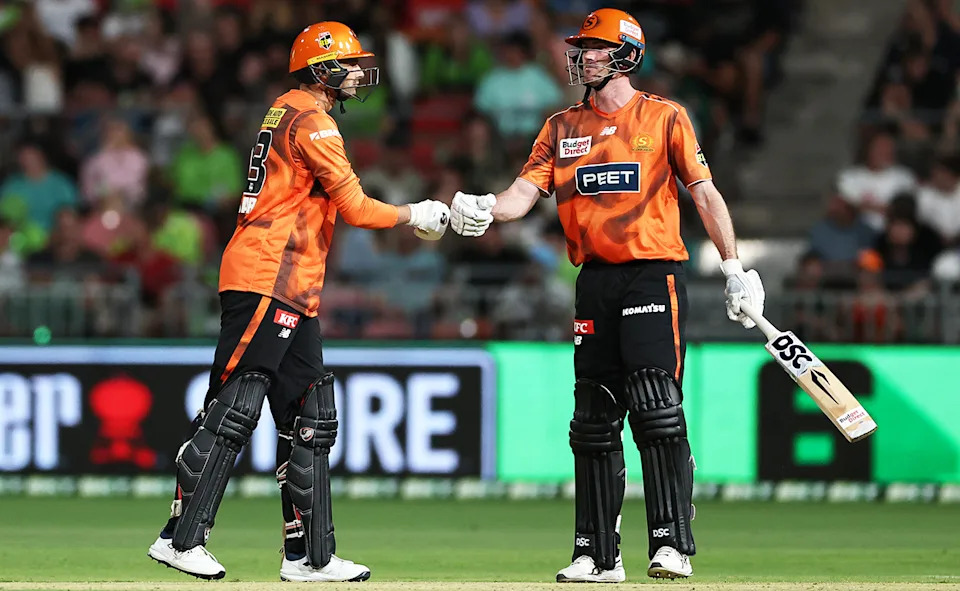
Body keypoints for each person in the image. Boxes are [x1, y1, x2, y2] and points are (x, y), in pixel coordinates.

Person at [449, 8, 764, 582]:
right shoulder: (560, 127)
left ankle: (671, 542)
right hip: (593, 282)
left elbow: (704, 192)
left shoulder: (665, 117)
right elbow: (523, 194)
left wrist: (734, 268)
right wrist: (485, 208)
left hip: (653, 273)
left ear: (624, 55)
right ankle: (597, 554)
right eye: (582, 47)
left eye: (594, 47)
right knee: (593, 418)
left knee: (656, 408)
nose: (582, 56)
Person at [146, 21, 450, 583]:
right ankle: (179, 538)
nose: (360, 72)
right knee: (235, 406)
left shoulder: (287, 109)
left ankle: (309, 558)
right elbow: (357, 208)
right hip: (268, 275)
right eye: (350, 63)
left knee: (311, 415)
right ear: (321, 69)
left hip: (294, 284)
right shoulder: (312, 122)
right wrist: (417, 213)